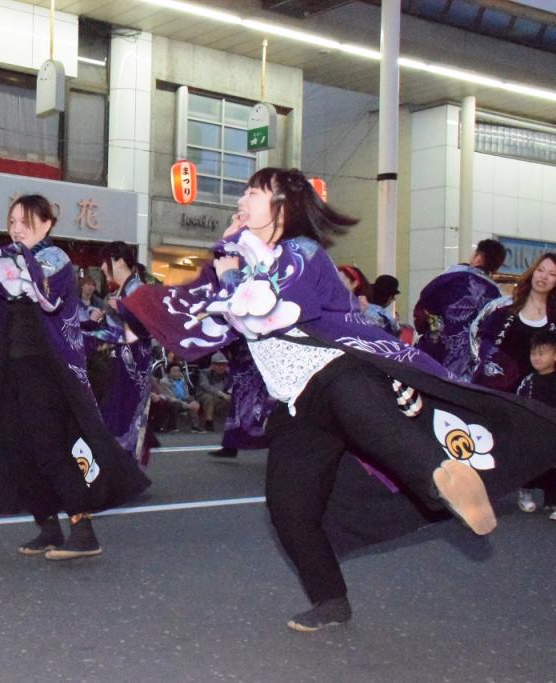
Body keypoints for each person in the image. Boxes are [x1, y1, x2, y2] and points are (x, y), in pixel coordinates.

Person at [125, 167, 556, 632]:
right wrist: (140, 310)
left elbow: (264, 311)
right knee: (289, 509)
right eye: (245, 190)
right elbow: (202, 311)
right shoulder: (238, 261)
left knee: (375, 423)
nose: (243, 199)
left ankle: (446, 478)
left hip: (335, 373)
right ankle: (331, 600)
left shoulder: (302, 253)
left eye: (254, 192)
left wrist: (232, 271)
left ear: (283, 207)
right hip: (295, 404)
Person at [0, 194, 150, 560]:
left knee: (51, 446)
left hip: (47, 371)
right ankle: (48, 527)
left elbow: (24, 282)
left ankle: (83, 530)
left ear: (47, 224)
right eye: (12, 222)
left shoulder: (53, 259)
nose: (16, 229)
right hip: (10, 368)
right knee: (17, 448)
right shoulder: (8, 265)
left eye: (25, 222)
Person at [92, 241, 156, 466]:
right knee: (114, 410)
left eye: (104, 262)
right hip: (119, 359)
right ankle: (116, 464)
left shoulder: (137, 289)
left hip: (134, 361)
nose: (101, 267)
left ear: (118, 261)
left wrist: (119, 309)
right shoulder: (120, 291)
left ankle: (124, 465)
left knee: (126, 411)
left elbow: (145, 327)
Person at [414, 239, 506, 380]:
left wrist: (433, 329)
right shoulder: (496, 296)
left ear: (478, 257)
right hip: (469, 362)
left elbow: (425, 307)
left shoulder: (451, 278)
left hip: (435, 348)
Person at [470, 253, 556, 393]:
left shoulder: (553, 319)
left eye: (552, 274)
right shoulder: (503, 311)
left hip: (537, 396)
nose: (544, 276)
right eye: (540, 270)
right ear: (533, 272)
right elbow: (480, 343)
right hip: (497, 392)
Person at [207, 341, 277, 459]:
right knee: (239, 410)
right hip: (247, 369)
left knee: (263, 409)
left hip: (260, 367)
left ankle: (273, 442)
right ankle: (230, 445)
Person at [515, 330, 556, 518]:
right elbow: (519, 402)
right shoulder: (528, 381)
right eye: (533, 353)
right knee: (531, 464)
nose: (536, 358)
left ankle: (552, 502)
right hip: (533, 430)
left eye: (542, 353)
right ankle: (526, 491)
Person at [159, 364, 204, 432]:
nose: (177, 373)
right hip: (171, 401)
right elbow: (171, 397)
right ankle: (171, 426)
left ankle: (195, 426)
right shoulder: (164, 382)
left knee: (192, 401)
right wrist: (187, 405)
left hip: (182, 400)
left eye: (178, 371)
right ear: (168, 372)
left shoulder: (182, 380)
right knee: (176, 404)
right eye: (174, 371)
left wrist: (193, 402)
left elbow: (186, 394)